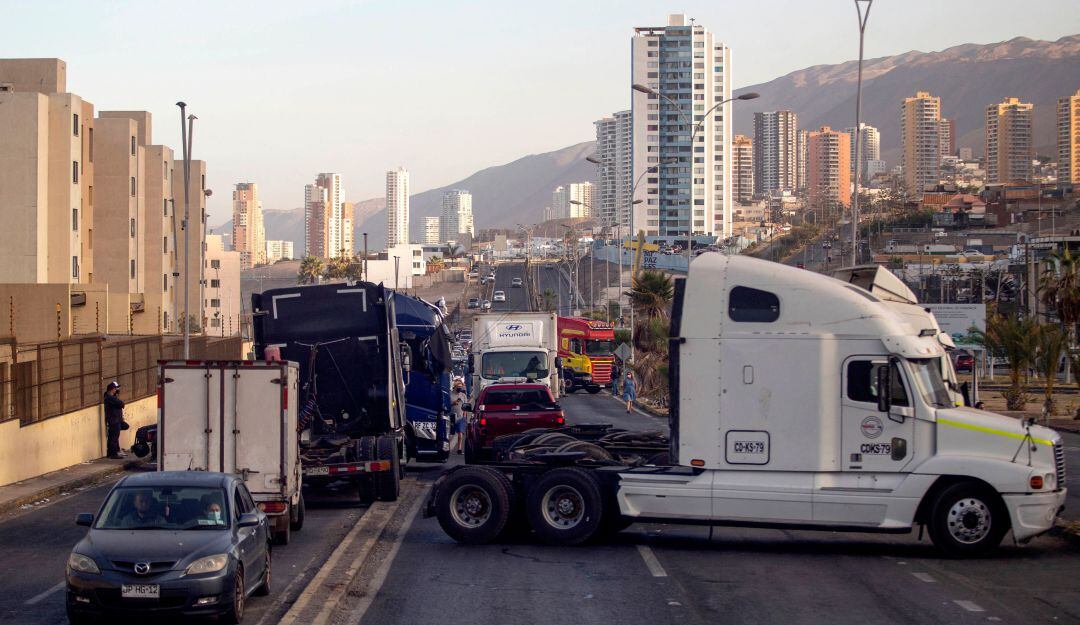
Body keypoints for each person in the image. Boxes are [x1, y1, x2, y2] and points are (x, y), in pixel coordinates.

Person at [103, 381, 125, 459]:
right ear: (112, 389)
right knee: (114, 437)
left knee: (113, 437)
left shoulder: (111, 397)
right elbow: (121, 404)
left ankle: (112, 452)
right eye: (116, 388)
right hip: (113, 421)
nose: (117, 390)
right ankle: (113, 453)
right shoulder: (109, 398)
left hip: (115, 420)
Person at [450, 384, 468, 454]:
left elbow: (465, 406)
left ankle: (459, 449)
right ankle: (446, 447)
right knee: (450, 433)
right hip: (451, 416)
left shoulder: (463, 395)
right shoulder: (450, 394)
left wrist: (465, 415)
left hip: (461, 416)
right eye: (458, 387)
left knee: (460, 433)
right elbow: (447, 404)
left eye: (461, 387)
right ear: (454, 387)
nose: (460, 388)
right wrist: (453, 403)